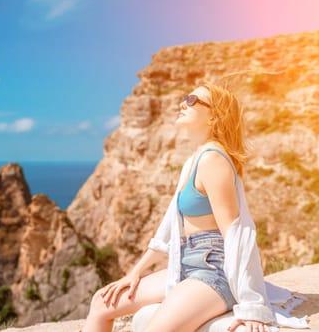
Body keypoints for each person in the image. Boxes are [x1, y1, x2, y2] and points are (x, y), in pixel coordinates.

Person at [83, 83, 290, 332]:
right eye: (185, 97)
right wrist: (134, 272)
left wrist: (251, 304)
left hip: (213, 269)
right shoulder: (195, 159)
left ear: (214, 116)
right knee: (101, 302)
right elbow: (169, 229)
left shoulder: (213, 159)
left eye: (192, 100)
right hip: (185, 262)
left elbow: (236, 233)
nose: (183, 103)